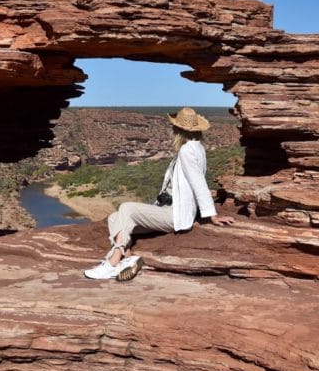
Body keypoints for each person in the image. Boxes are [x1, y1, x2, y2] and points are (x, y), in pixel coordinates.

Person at [84, 107, 235, 281]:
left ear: (178, 130)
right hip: (169, 208)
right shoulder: (197, 147)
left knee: (126, 208)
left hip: (174, 214)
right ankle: (128, 256)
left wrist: (212, 215)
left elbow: (198, 183)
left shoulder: (187, 151)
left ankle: (113, 263)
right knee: (114, 217)